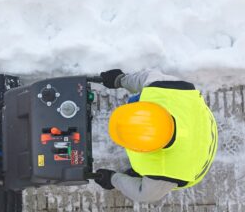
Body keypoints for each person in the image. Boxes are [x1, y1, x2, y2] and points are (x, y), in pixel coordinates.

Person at [91, 68, 218, 203]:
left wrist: (113, 179)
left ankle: (141, 172)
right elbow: (147, 77)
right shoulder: (168, 90)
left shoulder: (166, 174)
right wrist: (120, 80)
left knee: (150, 177)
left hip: (197, 162)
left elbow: (143, 195)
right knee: (144, 95)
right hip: (199, 123)